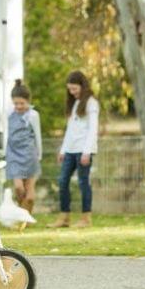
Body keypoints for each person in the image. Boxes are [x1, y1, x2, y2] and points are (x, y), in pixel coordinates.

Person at [48, 70, 99, 229]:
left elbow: (92, 129)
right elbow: (70, 129)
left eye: (74, 89)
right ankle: (65, 217)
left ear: (83, 86)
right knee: (62, 181)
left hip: (83, 151)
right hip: (70, 150)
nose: (72, 92)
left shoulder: (91, 103)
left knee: (83, 183)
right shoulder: (76, 103)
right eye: (70, 89)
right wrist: (63, 150)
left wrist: (87, 152)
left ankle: (86, 218)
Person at [5, 79, 42, 225]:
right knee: (19, 188)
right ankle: (22, 213)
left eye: (22, 103)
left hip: (29, 154)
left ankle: (26, 217)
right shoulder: (9, 113)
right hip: (13, 154)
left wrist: (39, 155)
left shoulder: (33, 115)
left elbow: (38, 136)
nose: (19, 106)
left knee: (30, 194)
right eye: (16, 103)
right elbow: (6, 132)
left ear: (28, 101)